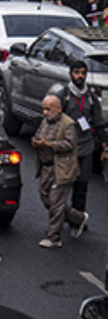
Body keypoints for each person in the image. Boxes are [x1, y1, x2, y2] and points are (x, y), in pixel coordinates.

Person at [33, 94, 88, 248]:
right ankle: (78, 218)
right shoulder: (45, 122)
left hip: (62, 169)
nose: (45, 112)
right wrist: (37, 143)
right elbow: (39, 135)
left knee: (56, 203)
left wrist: (49, 145)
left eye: (48, 109)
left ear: (58, 109)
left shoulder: (68, 124)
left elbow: (70, 144)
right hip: (46, 167)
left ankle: (53, 237)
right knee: (46, 198)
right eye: (43, 109)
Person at [56, 60, 106, 222]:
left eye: (83, 73)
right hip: (67, 147)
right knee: (63, 184)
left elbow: (98, 122)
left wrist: (105, 145)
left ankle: (78, 218)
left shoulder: (91, 98)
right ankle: (62, 216)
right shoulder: (63, 95)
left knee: (82, 184)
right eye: (77, 72)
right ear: (71, 74)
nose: (80, 76)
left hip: (86, 146)